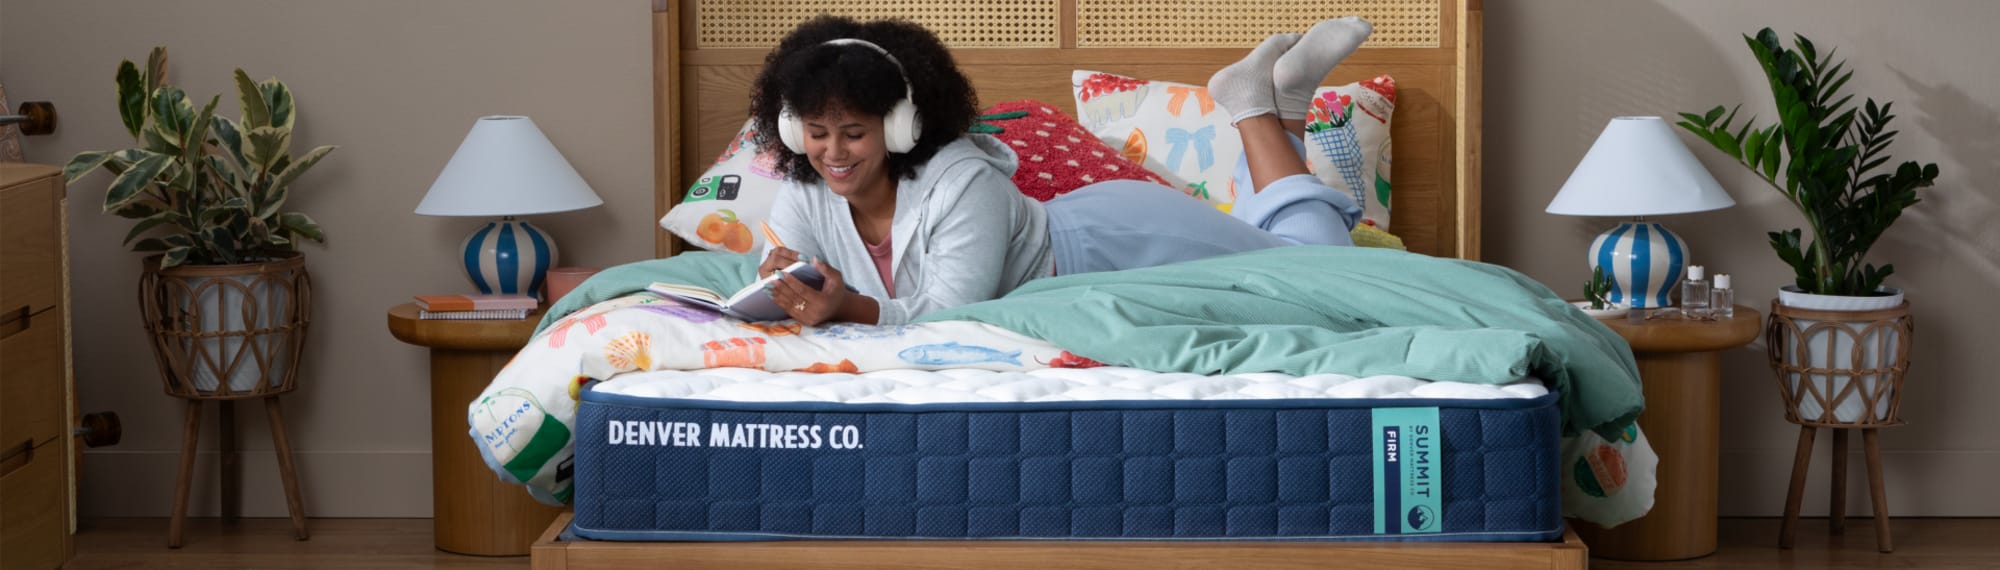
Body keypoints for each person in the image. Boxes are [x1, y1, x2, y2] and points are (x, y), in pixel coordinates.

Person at [753, 15, 1373, 326]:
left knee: (1322, 278)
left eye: (854, 134)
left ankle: (1247, 105)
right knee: (1281, 259)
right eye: (816, 132)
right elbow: (786, 272)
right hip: (1089, 272)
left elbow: (949, 314)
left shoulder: (965, 182)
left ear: (897, 129)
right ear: (791, 128)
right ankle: (1283, 103)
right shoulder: (805, 191)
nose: (833, 153)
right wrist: (780, 283)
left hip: (1119, 244)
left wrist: (847, 309)